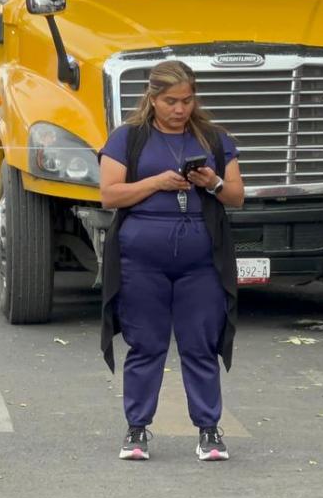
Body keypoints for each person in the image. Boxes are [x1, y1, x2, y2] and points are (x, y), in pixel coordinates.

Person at [98, 60, 244, 462]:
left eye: (187, 100)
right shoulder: (128, 138)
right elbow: (109, 195)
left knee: (200, 344)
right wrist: (157, 182)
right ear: (152, 98)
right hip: (140, 261)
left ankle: (209, 431)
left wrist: (210, 181)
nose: (180, 109)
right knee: (146, 345)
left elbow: (235, 196)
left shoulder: (214, 138)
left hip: (201, 262)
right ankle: (137, 429)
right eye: (170, 101)